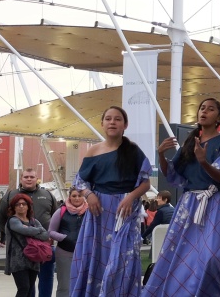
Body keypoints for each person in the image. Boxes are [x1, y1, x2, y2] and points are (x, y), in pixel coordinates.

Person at [143, 98, 220, 296]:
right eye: (202, 108)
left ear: (219, 117)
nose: (204, 111)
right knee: (178, 252)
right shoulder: (190, 142)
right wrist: (161, 155)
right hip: (188, 204)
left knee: (211, 255)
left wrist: (204, 161)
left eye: (210, 109)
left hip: (212, 203)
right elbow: (172, 174)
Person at [70, 106, 151, 297]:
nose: (112, 122)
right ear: (102, 124)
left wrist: (131, 196)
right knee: (96, 258)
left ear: (125, 125)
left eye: (117, 119)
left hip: (125, 211)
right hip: (98, 212)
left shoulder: (133, 151)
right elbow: (79, 182)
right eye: (108, 119)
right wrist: (89, 195)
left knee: (122, 261)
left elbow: (146, 183)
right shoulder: (93, 151)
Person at [0, 168, 56, 296]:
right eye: (26, 177)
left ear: (36, 179)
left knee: (46, 278)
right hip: (20, 251)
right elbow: (0, 217)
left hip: (43, 247)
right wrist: (6, 236)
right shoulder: (10, 195)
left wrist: (47, 235)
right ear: (21, 179)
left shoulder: (47, 195)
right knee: (26, 287)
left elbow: (55, 216)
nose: (29, 179)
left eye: (32, 177)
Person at [5, 193, 50, 297]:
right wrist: (38, 230)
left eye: (24, 204)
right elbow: (23, 230)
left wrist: (31, 230)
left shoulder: (34, 221)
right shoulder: (13, 221)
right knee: (23, 288)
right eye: (17, 204)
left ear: (28, 206)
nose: (21, 206)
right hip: (17, 260)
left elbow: (45, 236)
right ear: (13, 207)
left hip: (33, 258)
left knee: (30, 289)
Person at [47, 187, 86, 297]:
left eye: (80, 196)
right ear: (69, 197)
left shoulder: (90, 212)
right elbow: (51, 231)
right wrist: (65, 237)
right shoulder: (61, 211)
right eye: (74, 196)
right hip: (65, 253)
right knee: (65, 285)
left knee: (84, 284)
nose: (77, 198)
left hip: (85, 254)